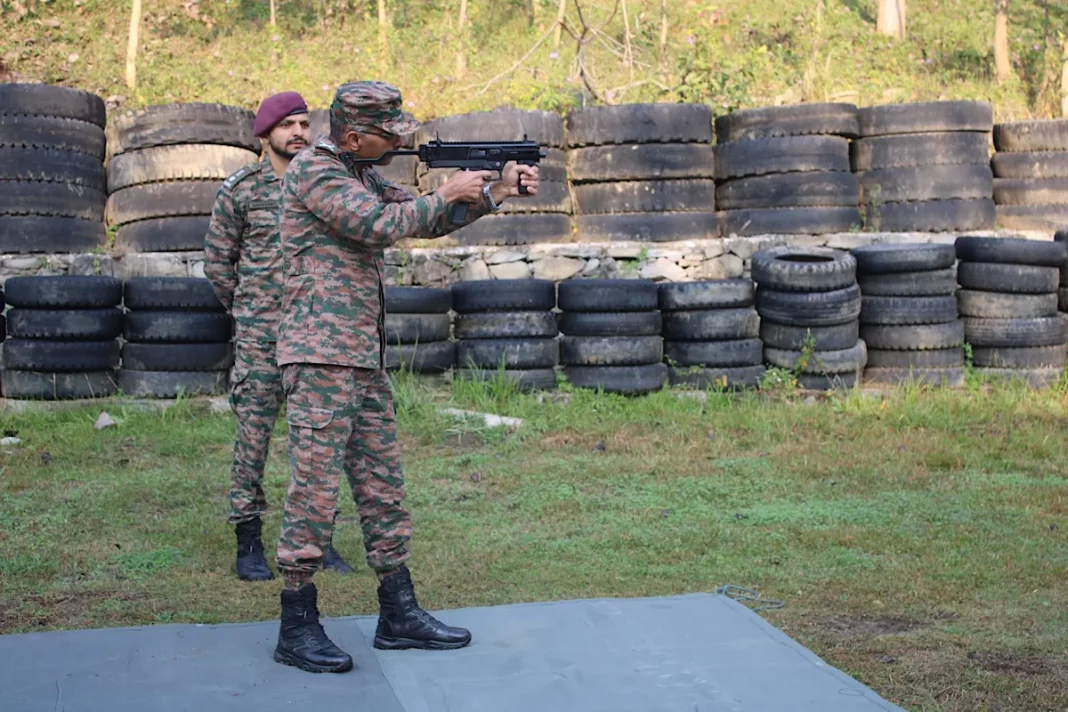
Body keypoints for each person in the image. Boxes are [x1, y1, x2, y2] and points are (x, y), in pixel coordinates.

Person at [270, 80, 539, 673]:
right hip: (318, 356)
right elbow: (378, 225)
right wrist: (446, 190)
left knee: (382, 486)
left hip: (360, 355)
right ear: (351, 134)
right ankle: (296, 623)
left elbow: (428, 220)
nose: (395, 143)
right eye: (386, 134)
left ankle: (398, 613)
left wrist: (494, 192)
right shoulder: (315, 172)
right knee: (314, 493)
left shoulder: (362, 170)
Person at [204, 91, 355, 583]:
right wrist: (249, 310)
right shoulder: (242, 190)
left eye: (304, 123)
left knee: (316, 442)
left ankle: (317, 540)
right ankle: (248, 539)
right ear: (265, 133)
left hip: (316, 334)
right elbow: (217, 264)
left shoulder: (327, 182)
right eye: (288, 124)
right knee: (254, 438)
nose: (299, 132)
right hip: (262, 337)